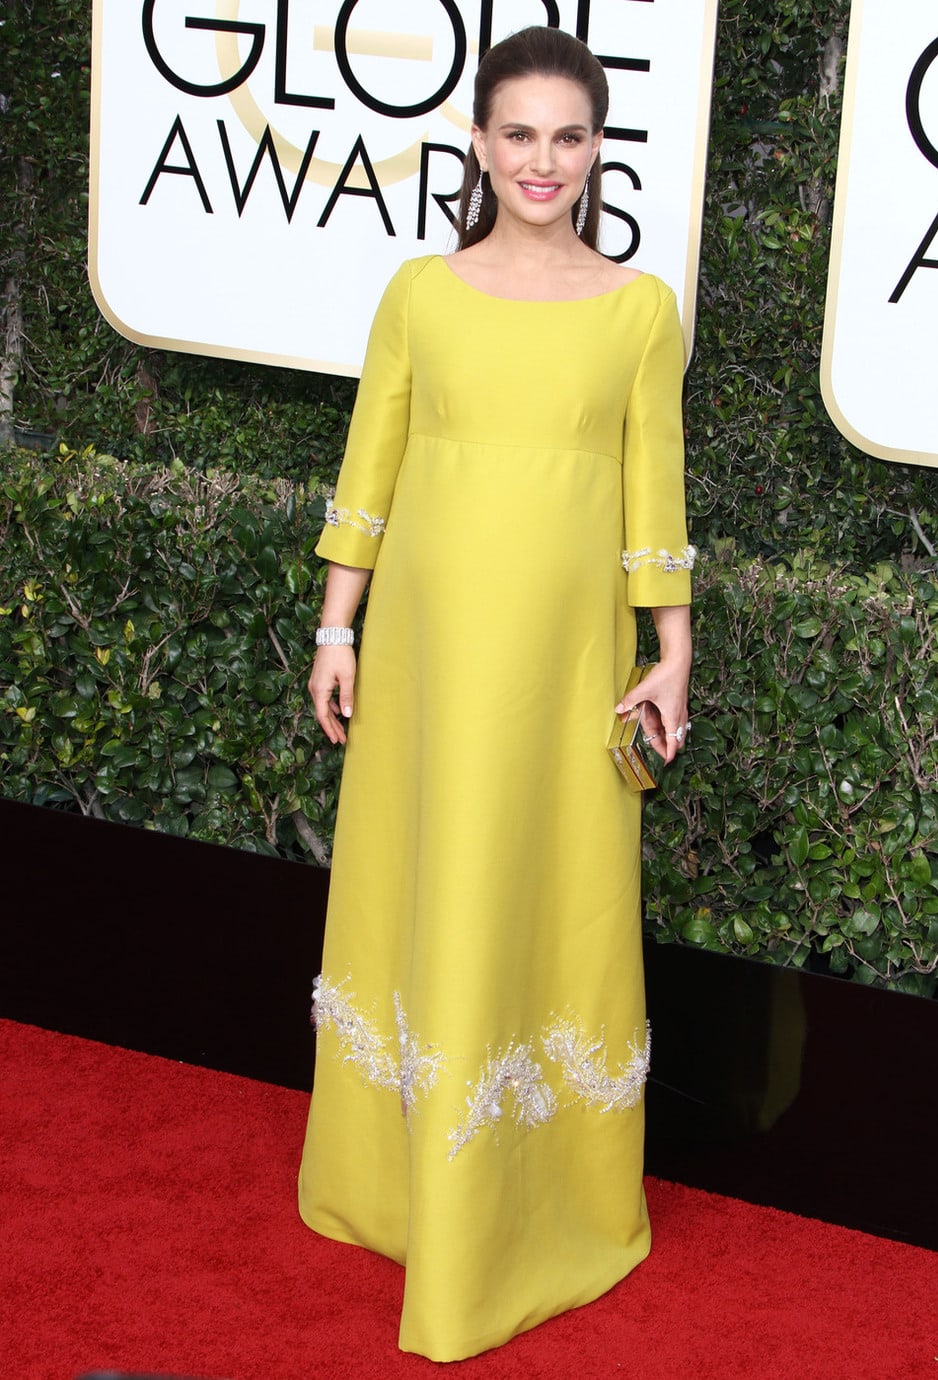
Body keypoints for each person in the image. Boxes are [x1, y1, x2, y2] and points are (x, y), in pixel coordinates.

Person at [298, 25, 695, 1362]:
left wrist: (672, 647)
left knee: (548, 888)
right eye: (517, 133)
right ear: (478, 141)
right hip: (426, 653)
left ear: (596, 151)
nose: (542, 159)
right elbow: (373, 464)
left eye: (567, 136)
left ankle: (544, 1198)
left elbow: (654, 495)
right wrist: (335, 628)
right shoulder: (421, 292)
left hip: (565, 664)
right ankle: (401, 1182)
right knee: (432, 876)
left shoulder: (641, 308)